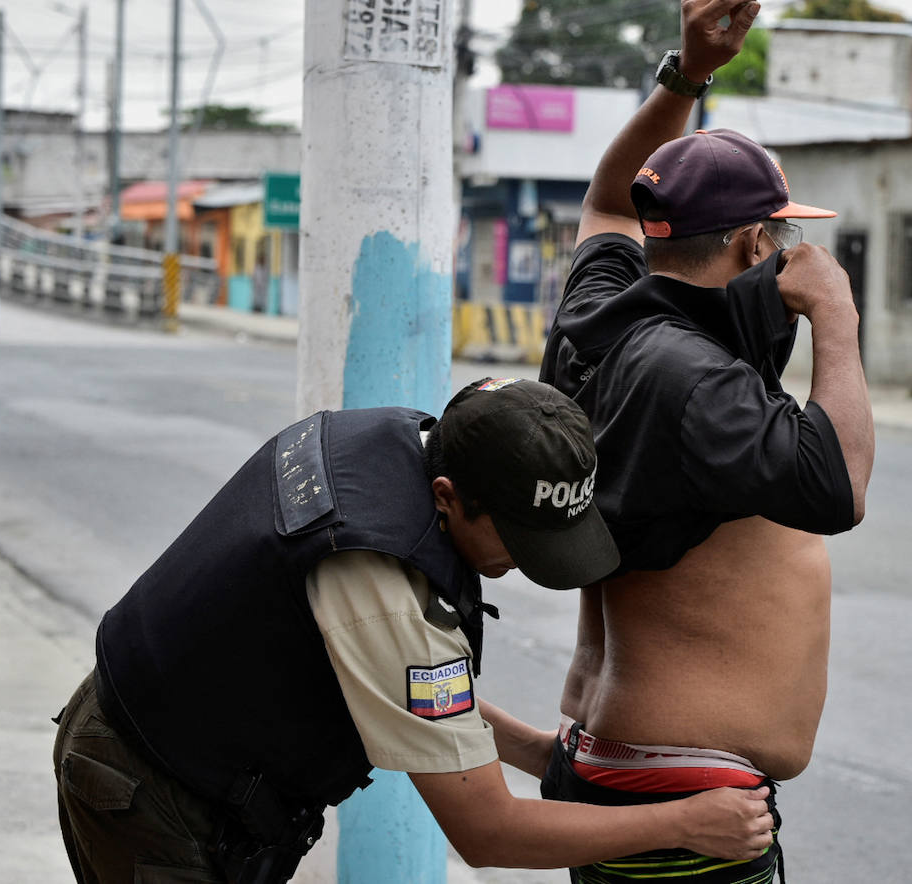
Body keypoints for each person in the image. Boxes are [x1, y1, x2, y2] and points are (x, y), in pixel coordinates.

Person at [52, 376, 774, 883]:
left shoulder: (402, 439)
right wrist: (686, 825)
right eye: (518, 543)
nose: (524, 568)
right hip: (147, 787)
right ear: (448, 497)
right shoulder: (384, 582)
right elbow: (487, 832)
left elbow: (408, 693)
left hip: (154, 734)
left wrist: (545, 757)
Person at [501, 0, 874, 884]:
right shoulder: (696, 379)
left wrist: (687, 75)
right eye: (783, 237)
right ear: (754, 246)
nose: (791, 253)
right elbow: (839, 488)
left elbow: (606, 197)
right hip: (686, 807)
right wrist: (835, 313)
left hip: (615, 760)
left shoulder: (598, 320)